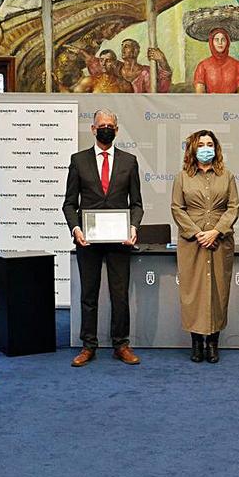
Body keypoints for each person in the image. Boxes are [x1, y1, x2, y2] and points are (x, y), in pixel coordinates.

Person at [62, 109, 143, 367]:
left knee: (119, 295)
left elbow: (137, 204)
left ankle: (121, 344)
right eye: (101, 125)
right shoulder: (78, 160)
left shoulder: (129, 161)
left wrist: (133, 226)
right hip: (88, 240)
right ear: (93, 129)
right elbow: (69, 203)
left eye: (110, 125)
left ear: (116, 131)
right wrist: (76, 229)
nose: (106, 128)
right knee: (89, 294)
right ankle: (88, 345)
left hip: (120, 240)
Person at [170, 131, 239, 363]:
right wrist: (197, 233)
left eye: (210, 144)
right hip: (192, 242)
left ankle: (212, 343)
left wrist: (216, 231)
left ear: (216, 149)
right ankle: (196, 342)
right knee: (193, 293)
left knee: (218, 291)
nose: (206, 148)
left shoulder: (227, 176)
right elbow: (177, 208)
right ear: (192, 149)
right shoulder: (182, 177)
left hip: (220, 241)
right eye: (201, 145)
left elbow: (233, 207)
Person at [193, 28, 239, 93]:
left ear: (227, 42)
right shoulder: (202, 66)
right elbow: (200, 95)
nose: (220, 43)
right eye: (216, 40)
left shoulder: (238, 65)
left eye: (223, 39)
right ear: (211, 42)